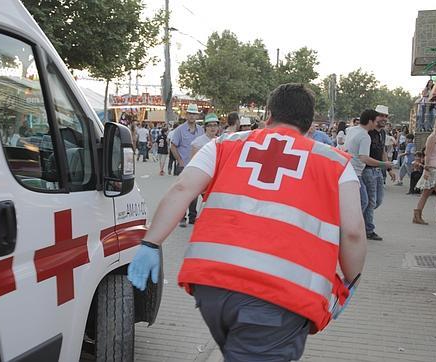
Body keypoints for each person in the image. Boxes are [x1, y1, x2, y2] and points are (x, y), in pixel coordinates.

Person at [127, 83, 366, 361]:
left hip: (212, 286)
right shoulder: (336, 164)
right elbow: (352, 233)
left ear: (268, 115)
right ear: (310, 124)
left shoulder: (224, 145)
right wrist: (351, 281)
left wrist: (151, 243)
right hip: (277, 298)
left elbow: (182, 189)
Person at [344, 109, 394, 238]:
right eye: (377, 119)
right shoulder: (365, 136)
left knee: (369, 201)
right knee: (365, 202)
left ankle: (355, 227)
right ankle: (352, 228)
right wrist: (385, 165)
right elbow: (364, 158)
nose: (378, 122)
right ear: (371, 121)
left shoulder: (353, 130)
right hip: (359, 171)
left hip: (352, 170)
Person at [171, 104, 204, 227]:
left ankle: (192, 216)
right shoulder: (180, 130)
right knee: (183, 191)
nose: (192, 116)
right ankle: (181, 217)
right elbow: (173, 146)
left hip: (197, 166)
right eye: (190, 113)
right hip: (183, 165)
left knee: (194, 192)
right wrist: (179, 160)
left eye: (194, 114)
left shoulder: (201, 130)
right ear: (186, 115)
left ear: (197, 116)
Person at [414, 118, 436, 224]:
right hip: (431, 169)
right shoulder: (432, 138)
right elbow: (427, 154)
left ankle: (418, 215)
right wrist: (426, 170)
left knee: (429, 193)